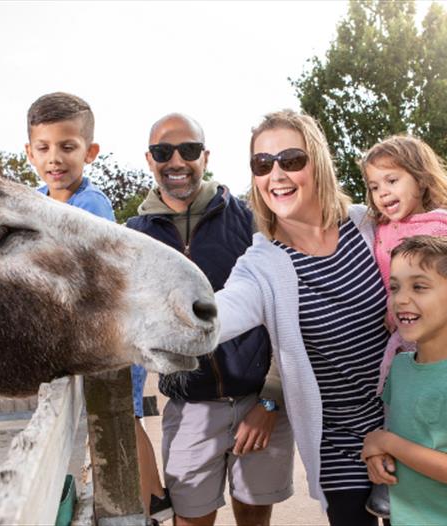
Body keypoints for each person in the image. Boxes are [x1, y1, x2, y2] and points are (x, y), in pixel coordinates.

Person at [215, 109, 389, 526]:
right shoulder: (261, 264)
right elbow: (219, 312)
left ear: (318, 162)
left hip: (407, 426)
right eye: (263, 163)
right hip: (337, 443)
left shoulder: (370, 225)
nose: (276, 174)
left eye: (291, 160)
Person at [126, 113, 293, 526]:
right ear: (150, 159)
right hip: (189, 408)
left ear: (206, 156)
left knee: (255, 520)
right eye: (164, 152)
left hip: (259, 402)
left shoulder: (251, 221)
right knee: (191, 520)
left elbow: (285, 313)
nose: (177, 161)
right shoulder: (133, 236)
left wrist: (271, 398)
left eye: (189, 150)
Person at [24, 92, 170, 522]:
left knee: (122, 418)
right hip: (84, 340)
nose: (56, 158)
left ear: (89, 152)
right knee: (115, 420)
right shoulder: (35, 200)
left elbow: (79, 276)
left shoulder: (92, 206)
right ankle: (154, 495)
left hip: (109, 337)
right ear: (29, 152)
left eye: (67, 147)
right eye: (45, 148)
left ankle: (147, 500)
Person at [362, 235, 447, 526]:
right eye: (395, 287)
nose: (401, 299)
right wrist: (377, 454)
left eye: (419, 287)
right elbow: (399, 437)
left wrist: (385, 441)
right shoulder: (399, 368)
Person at [360, 134, 447, 398]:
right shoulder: (381, 226)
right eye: (374, 186)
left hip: (431, 339)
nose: (383, 192)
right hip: (398, 341)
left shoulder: (437, 228)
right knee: (403, 410)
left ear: (422, 179)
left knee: (436, 407)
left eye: (392, 181)